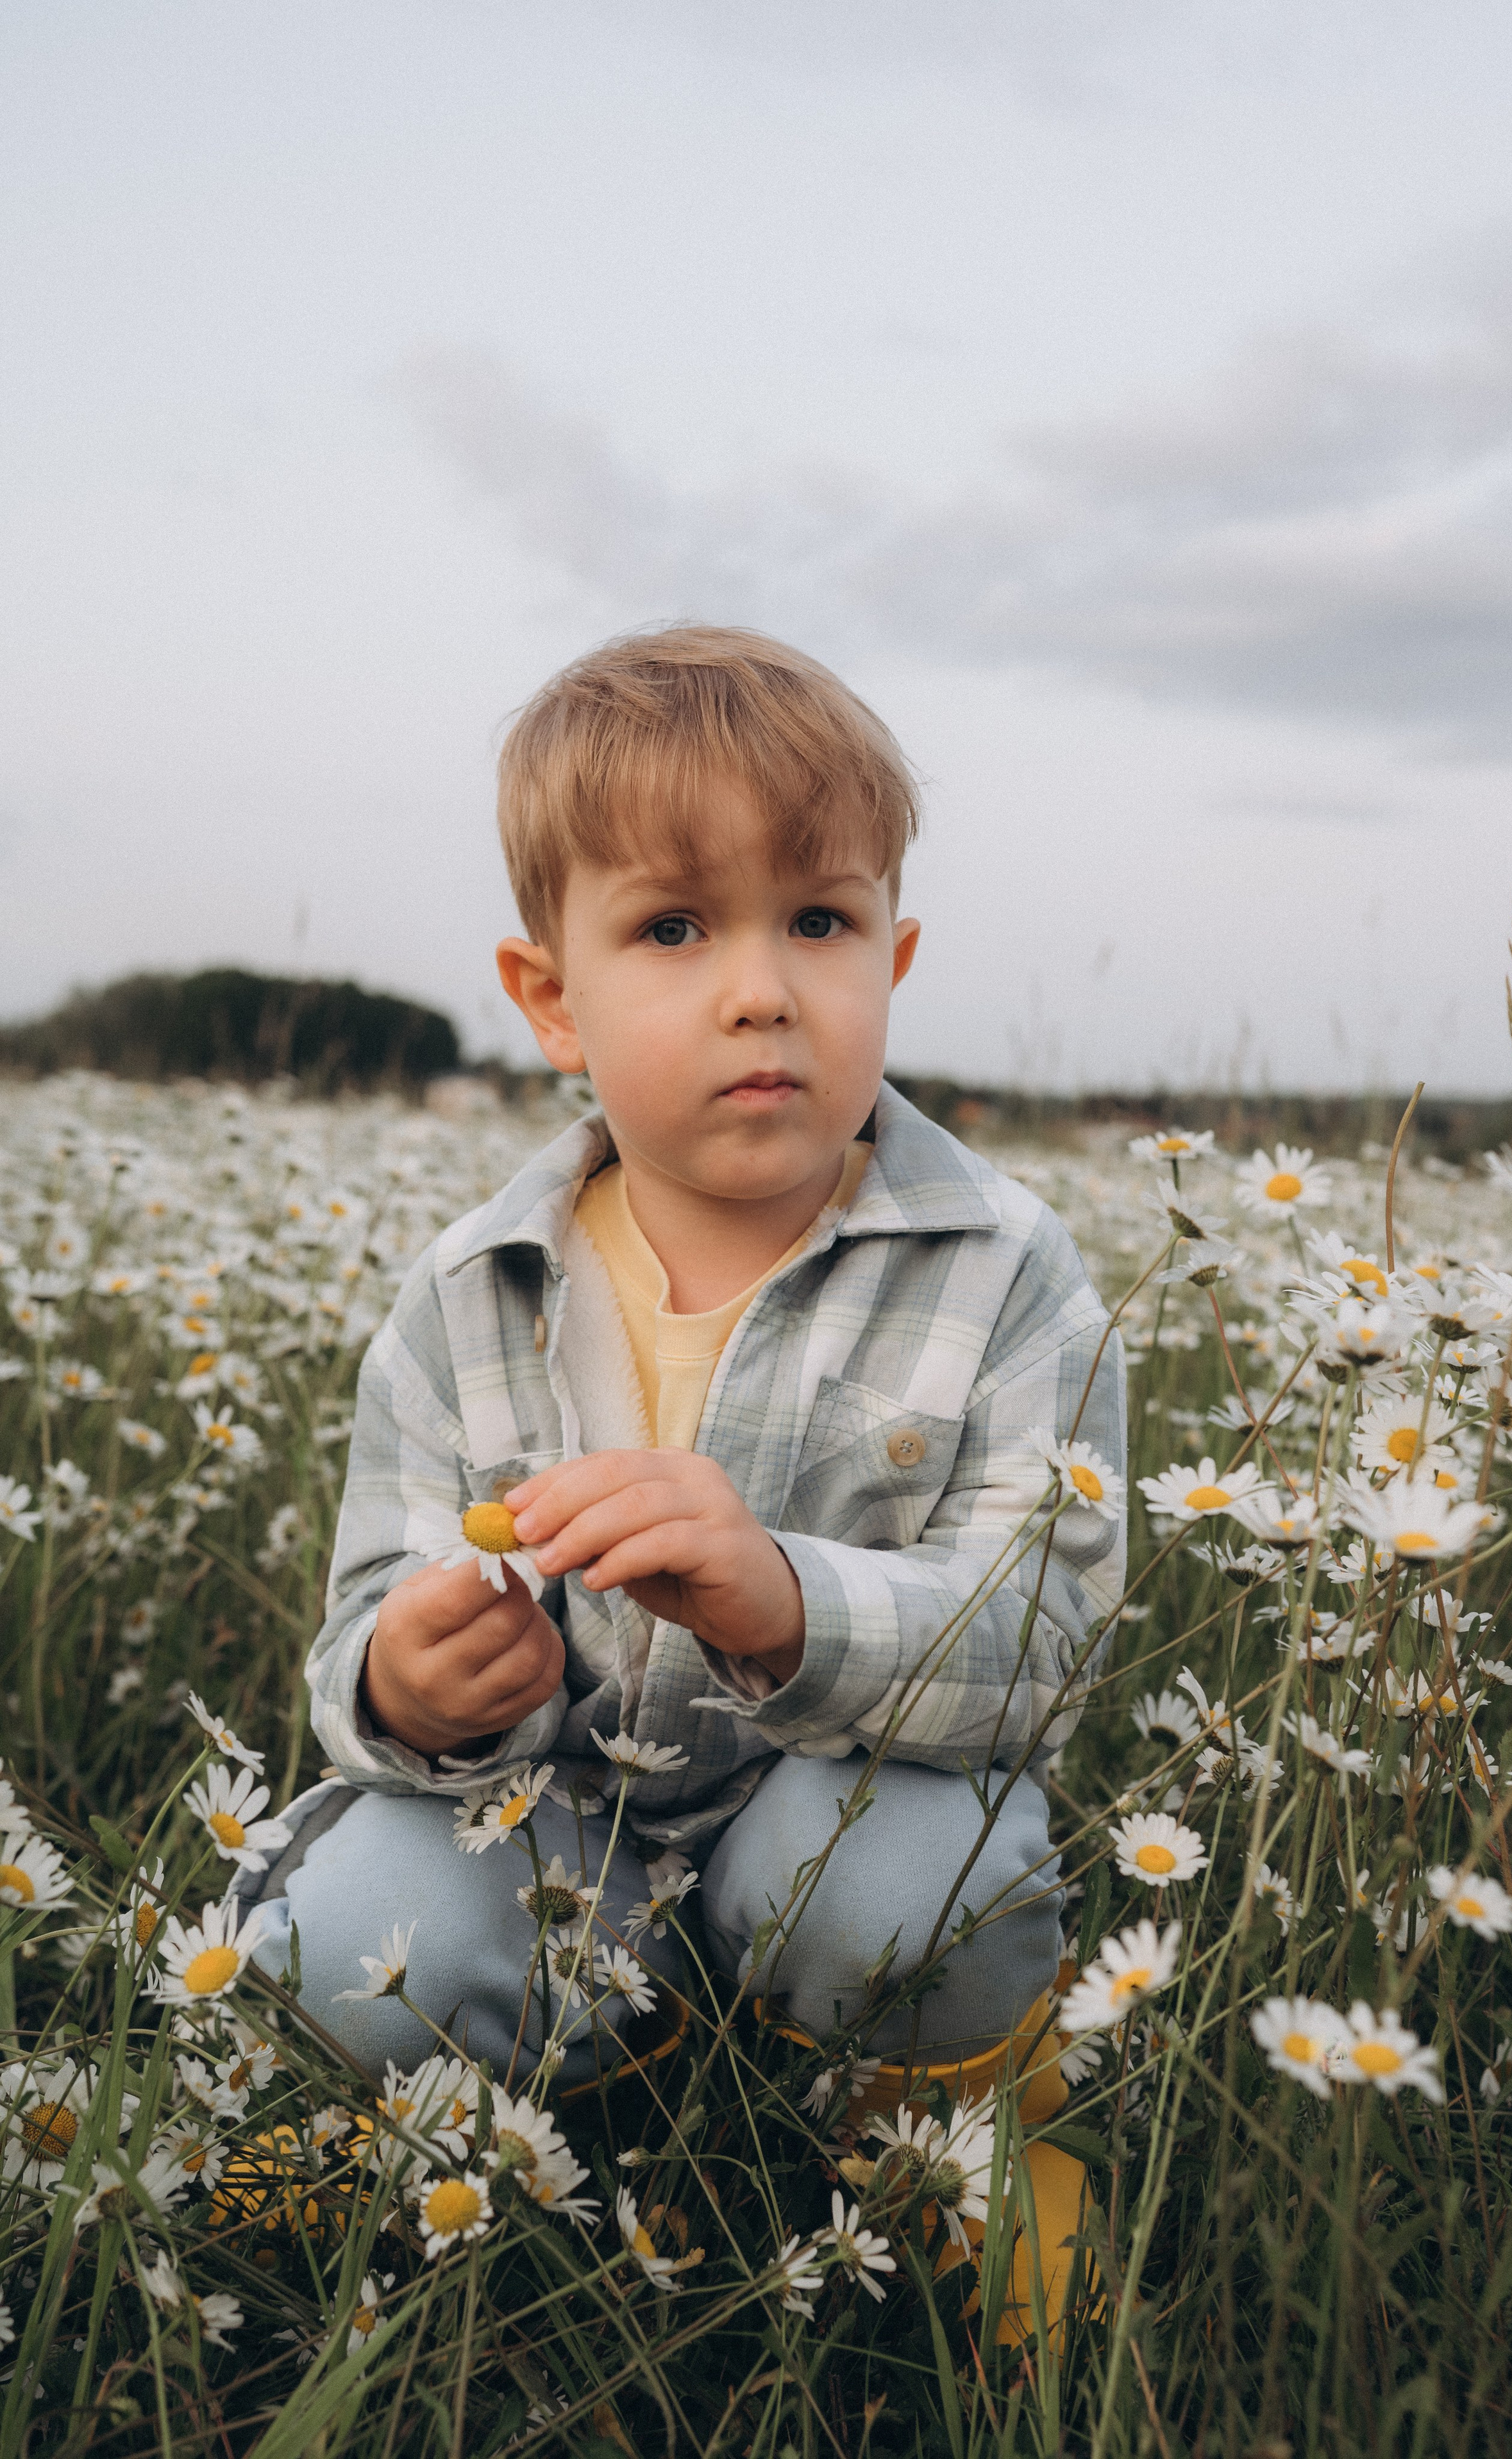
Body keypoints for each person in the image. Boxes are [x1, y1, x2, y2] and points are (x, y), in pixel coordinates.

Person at [240, 623, 1125, 2335]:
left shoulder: (1009, 1271)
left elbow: (1051, 1636)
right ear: (549, 997)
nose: (758, 986)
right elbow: (359, 1626)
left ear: (896, 951)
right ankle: (435, 2155)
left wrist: (785, 1600)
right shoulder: (464, 1296)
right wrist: (408, 1690)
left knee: (910, 1894)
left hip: (845, 1802)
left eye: (819, 919)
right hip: (553, 1827)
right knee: (356, 1926)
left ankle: (942, 2149)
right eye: (671, 925)